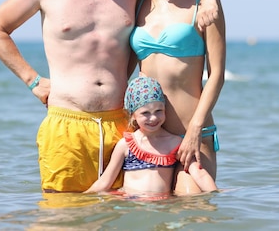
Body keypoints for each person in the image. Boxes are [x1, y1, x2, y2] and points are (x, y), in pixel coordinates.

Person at [0, 0, 220, 193]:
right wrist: (33, 81)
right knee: (62, 216)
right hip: (67, 124)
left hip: (121, 126)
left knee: (123, 216)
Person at [130, 0, 226, 195]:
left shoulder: (203, 5)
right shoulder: (139, 3)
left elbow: (217, 74)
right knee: (150, 219)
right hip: (150, 138)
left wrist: (196, 128)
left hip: (190, 135)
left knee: (191, 215)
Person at [84, 76, 218, 197]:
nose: (153, 118)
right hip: (131, 204)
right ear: (133, 115)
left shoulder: (175, 143)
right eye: (145, 113)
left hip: (162, 205)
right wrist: (81, 199)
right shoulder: (126, 145)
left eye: (159, 111)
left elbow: (199, 174)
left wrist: (217, 194)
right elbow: (105, 182)